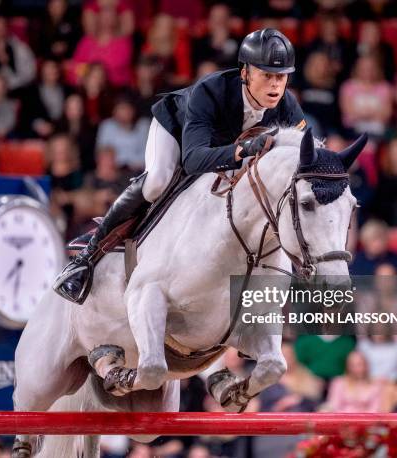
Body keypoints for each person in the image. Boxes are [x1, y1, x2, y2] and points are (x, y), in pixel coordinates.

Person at [54, 28, 307, 303]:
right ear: (245, 73)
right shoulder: (211, 91)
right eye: (266, 75)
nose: (274, 85)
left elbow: (307, 156)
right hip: (175, 133)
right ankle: (85, 260)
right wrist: (243, 150)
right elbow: (194, 160)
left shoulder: (288, 108)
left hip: (224, 149)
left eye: (281, 76)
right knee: (157, 182)